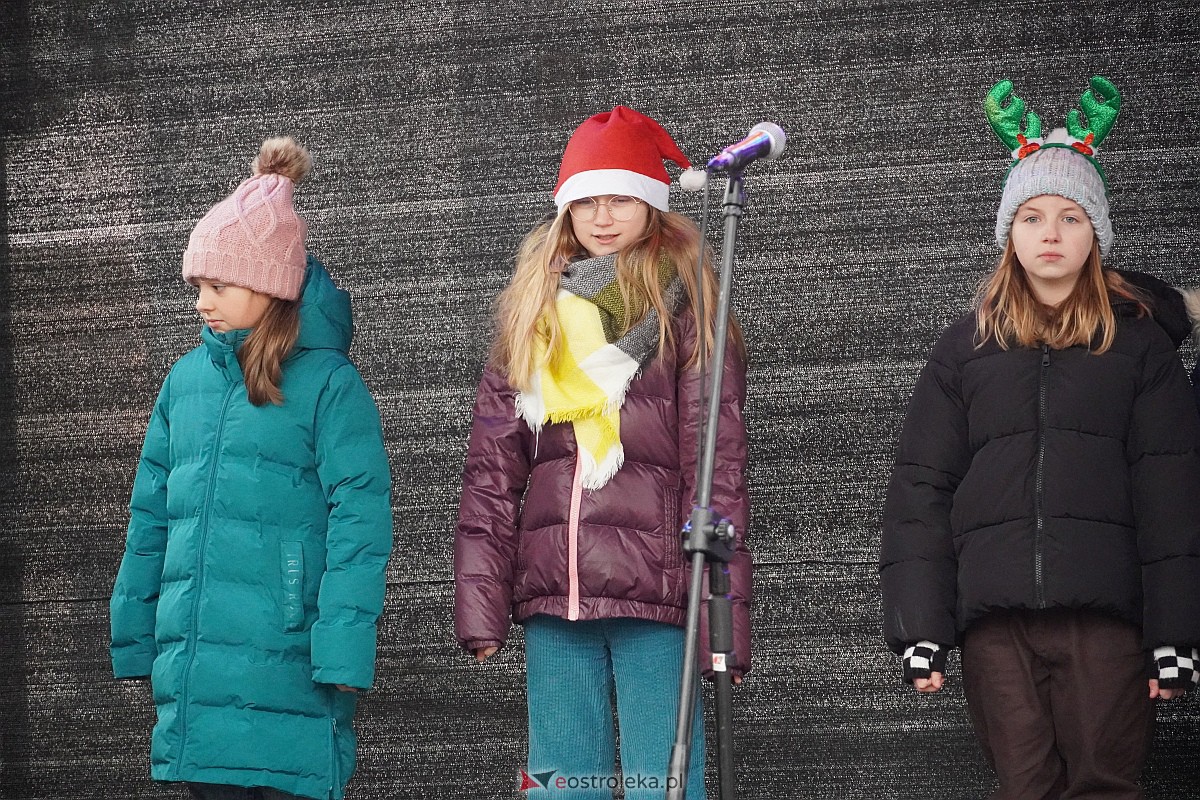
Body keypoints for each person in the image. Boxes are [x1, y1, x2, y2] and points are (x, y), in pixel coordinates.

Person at [880, 76, 1200, 799]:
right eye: (1030, 217)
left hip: (1106, 623)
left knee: (1105, 783)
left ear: (1097, 234)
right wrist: (919, 626)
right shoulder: (965, 348)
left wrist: (1175, 634)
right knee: (1023, 786)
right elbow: (921, 490)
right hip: (997, 625)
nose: (1050, 234)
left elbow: (1173, 495)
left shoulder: (1140, 349)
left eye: (1070, 217)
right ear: (1008, 232)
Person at [453, 106, 752, 799]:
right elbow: (492, 472)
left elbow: (719, 467)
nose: (603, 215)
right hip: (557, 597)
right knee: (561, 786)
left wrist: (725, 617)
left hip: (658, 591)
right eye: (586, 200)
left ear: (651, 201)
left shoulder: (691, 309)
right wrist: (481, 602)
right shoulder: (534, 314)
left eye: (619, 196)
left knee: (665, 784)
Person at [109, 137, 392, 800]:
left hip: (289, 659)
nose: (202, 302)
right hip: (196, 664)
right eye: (198, 287)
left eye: (219, 284)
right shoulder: (185, 383)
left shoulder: (328, 385)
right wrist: (134, 634)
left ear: (270, 285)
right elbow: (151, 513)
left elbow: (362, 521)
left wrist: (345, 644)